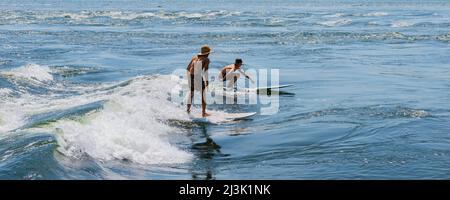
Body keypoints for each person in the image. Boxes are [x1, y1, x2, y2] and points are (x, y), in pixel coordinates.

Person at [186, 45, 212, 117]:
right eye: (209, 53)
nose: (209, 54)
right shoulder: (206, 59)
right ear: (207, 53)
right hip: (197, 77)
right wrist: (207, 81)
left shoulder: (194, 58)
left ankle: (188, 110)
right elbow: (205, 71)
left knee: (191, 94)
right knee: (203, 95)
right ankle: (203, 113)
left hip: (191, 76)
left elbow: (188, 68)